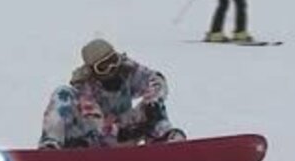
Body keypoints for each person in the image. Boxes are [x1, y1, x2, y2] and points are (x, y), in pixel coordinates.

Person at [38, 39, 186, 149]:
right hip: (91, 139)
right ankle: (50, 145)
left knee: (153, 106)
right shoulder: (85, 86)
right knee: (62, 93)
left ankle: (164, 141)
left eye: (113, 61)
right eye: (103, 67)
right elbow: (94, 122)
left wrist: (152, 101)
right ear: (93, 71)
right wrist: (121, 132)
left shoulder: (127, 70)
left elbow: (156, 79)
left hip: (123, 135)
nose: (112, 68)